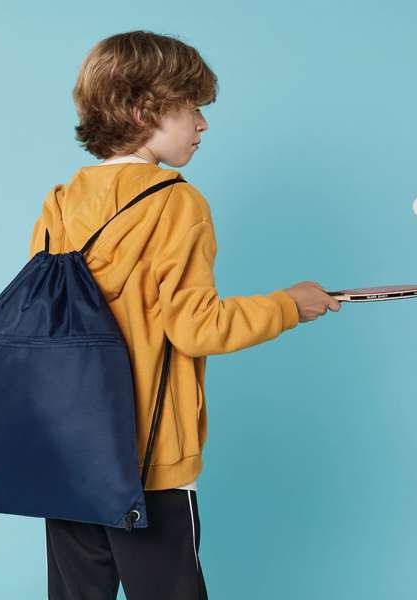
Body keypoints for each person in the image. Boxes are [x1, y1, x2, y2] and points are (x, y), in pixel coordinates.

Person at [28, 30, 341, 600]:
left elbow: (45, 324)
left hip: (68, 450)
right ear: (144, 110)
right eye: (191, 107)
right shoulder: (175, 201)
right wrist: (290, 305)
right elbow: (197, 327)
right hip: (149, 459)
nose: (203, 124)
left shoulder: (60, 202)